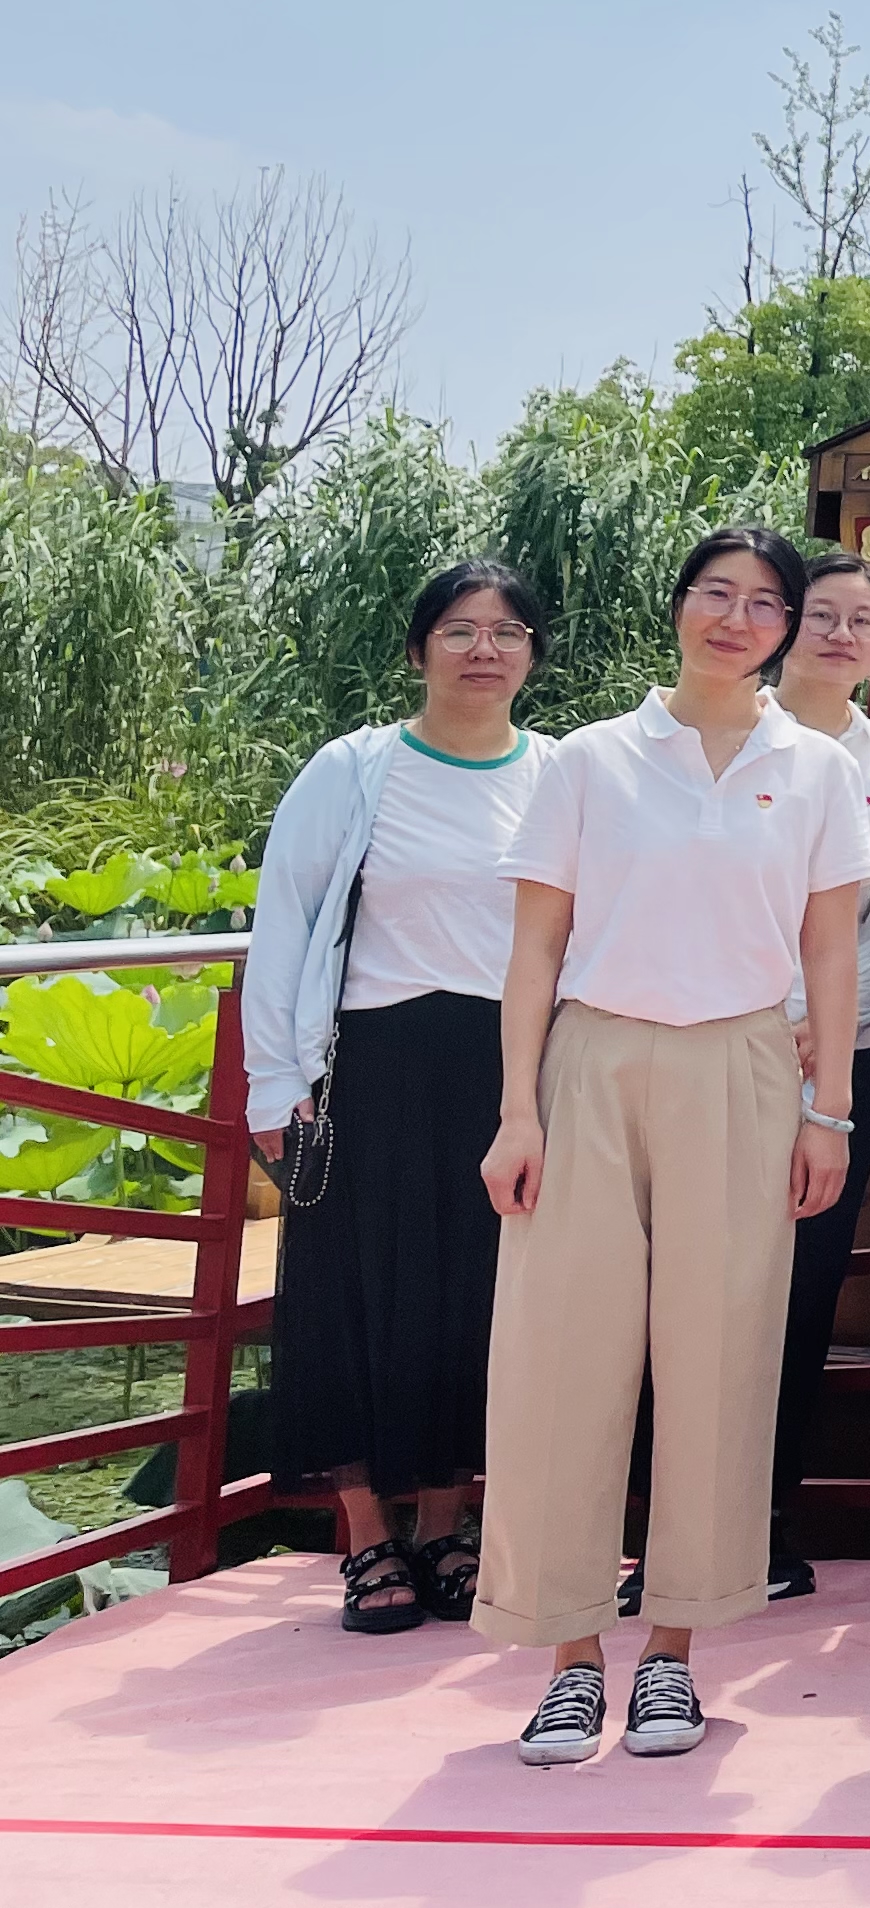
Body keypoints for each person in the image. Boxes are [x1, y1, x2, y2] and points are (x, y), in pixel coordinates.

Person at [474, 528, 869, 1768]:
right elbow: (535, 947)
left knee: (720, 1360)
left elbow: (831, 952)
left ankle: (674, 1654)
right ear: (680, 606)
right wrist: (519, 1109)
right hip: (592, 1061)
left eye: (765, 603)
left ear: (788, 627)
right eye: (716, 594)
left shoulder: (818, 769)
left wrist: (829, 1112)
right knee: (560, 1357)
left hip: (745, 1066)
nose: (736, 619)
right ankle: (567, 1657)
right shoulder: (589, 759)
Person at [249, 559, 550, 1639]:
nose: (484, 649)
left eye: (507, 631)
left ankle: (449, 1526)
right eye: (460, 629)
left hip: (507, 1072)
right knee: (352, 1296)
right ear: (420, 648)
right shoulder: (356, 769)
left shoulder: (556, 774)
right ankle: (368, 1535)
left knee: (480, 1295)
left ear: (533, 655)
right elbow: (285, 922)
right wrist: (275, 1081)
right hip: (370, 1065)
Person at [767, 551, 870, 1604]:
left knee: (804, 1293)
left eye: (864, 619)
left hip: (840, 1054)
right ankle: (670, 1527)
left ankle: (767, 1522)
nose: (842, 635)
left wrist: (835, 1015)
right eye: (823, 614)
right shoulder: (731, 735)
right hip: (721, 1041)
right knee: (693, 1291)